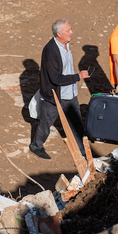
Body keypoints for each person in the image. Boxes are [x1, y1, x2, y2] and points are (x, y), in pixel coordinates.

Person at [29, 19, 90, 160]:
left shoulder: (66, 44)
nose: (71, 32)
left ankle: (82, 151)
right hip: (55, 96)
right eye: (68, 31)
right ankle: (36, 146)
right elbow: (55, 78)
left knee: (76, 122)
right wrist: (77, 76)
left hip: (70, 93)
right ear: (58, 34)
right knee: (46, 123)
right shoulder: (51, 51)